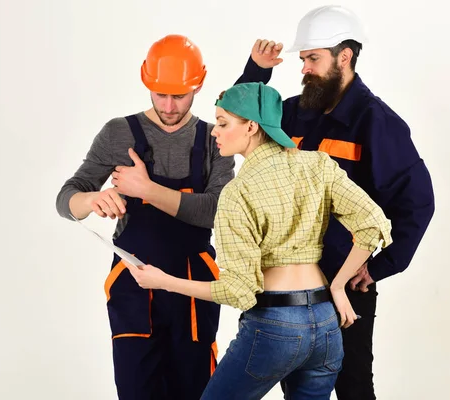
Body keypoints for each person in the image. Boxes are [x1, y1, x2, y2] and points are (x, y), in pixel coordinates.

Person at [124, 81, 393, 400]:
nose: (214, 132)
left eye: (223, 123)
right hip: (325, 323)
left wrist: (164, 281)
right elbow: (373, 223)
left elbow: (239, 291)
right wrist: (338, 285)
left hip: (275, 326)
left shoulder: (238, 194)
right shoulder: (318, 165)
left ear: (251, 126)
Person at [234, 5, 436, 400]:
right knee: (297, 388)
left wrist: (378, 267)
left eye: (313, 59)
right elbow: (239, 122)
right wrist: (257, 71)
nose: (304, 68)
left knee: (353, 385)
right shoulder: (292, 113)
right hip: (285, 284)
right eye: (304, 59)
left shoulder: (377, 123)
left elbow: (417, 202)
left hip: (342, 286)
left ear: (345, 57)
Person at [55, 35, 236, 400]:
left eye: (180, 96)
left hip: (193, 284)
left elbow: (217, 211)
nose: (169, 106)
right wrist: (94, 198)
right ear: (146, 82)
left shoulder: (214, 137)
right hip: (134, 284)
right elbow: (66, 200)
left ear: (198, 84)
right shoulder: (118, 133)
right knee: (137, 389)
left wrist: (148, 190)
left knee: (195, 387)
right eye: (160, 94)